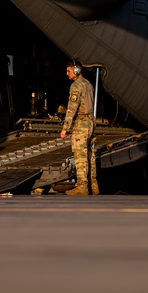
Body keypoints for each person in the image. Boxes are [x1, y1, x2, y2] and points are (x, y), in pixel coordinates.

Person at [59, 62, 99, 195]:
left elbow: (72, 108)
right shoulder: (88, 84)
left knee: (80, 155)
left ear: (76, 71)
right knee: (90, 155)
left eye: (68, 71)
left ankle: (82, 186)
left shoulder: (76, 86)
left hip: (81, 123)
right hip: (91, 122)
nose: (67, 74)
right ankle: (94, 185)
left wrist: (65, 128)